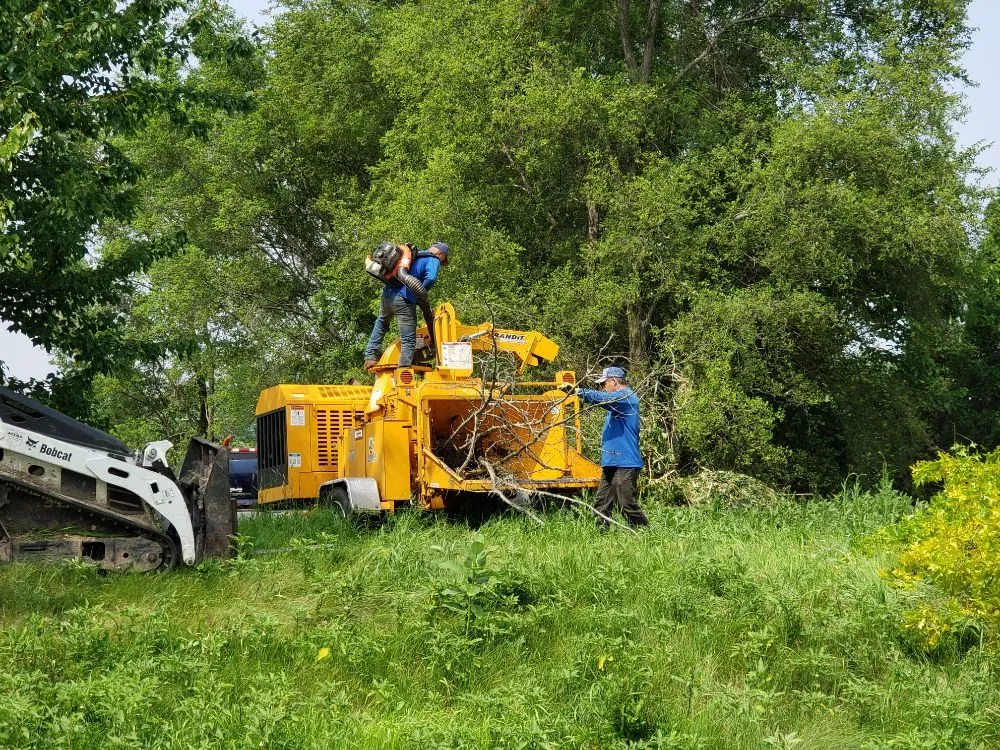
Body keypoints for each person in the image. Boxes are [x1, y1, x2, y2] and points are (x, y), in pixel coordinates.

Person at [566, 366, 648, 529]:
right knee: (601, 503)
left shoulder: (627, 397)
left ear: (614, 381)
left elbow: (600, 398)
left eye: (604, 384)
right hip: (612, 462)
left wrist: (578, 391)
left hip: (625, 462)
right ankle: (600, 536)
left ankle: (646, 534)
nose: (603, 388)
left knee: (625, 502)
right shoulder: (617, 403)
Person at [363, 241, 448, 370]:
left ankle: (370, 357)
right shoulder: (433, 259)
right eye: (443, 260)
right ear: (441, 253)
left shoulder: (413, 255)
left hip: (387, 295)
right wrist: (420, 294)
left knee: (381, 322)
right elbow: (430, 278)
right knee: (408, 338)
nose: (441, 262)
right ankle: (403, 370)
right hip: (404, 298)